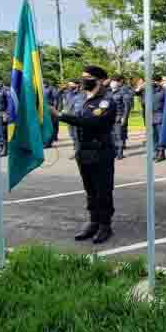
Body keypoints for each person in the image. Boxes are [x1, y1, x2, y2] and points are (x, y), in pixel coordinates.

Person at [53, 65, 117, 244]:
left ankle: (105, 225)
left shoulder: (106, 101)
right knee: (90, 191)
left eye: (87, 77)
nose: (83, 80)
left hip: (101, 152)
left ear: (100, 80)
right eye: (82, 76)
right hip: (84, 151)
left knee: (103, 190)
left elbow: (91, 122)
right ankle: (94, 222)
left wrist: (60, 116)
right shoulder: (81, 99)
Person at [108, 76, 130, 160]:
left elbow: (126, 107)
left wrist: (124, 117)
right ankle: (115, 152)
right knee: (112, 136)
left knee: (119, 135)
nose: (113, 83)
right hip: (110, 118)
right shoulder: (108, 93)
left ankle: (120, 153)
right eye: (112, 82)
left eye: (114, 82)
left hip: (118, 117)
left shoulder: (123, 93)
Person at [61, 80, 82, 159]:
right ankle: (77, 150)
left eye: (71, 85)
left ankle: (78, 152)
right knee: (72, 135)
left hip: (76, 118)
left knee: (77, 136)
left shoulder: (81, 94)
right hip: (69, 117)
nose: (69, 86)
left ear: (77, 85)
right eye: (69, 85)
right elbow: (66, 103)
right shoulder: (68, 93)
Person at [42, 80, 61, 148]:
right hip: (43, 109)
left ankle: (49, 142)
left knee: (52, 125)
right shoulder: (41, 88)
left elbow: (56, 99)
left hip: (50, 109)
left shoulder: (52, 89)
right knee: (46, 125)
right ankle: (48, 140)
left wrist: (55, 109)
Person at [0, 80, 10, 157]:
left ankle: (5, 149)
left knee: (3, 133)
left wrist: (6, 113)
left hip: (2, 114)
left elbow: (9, 103)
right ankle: (0, 149)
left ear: (1, 82)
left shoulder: (6, 90)